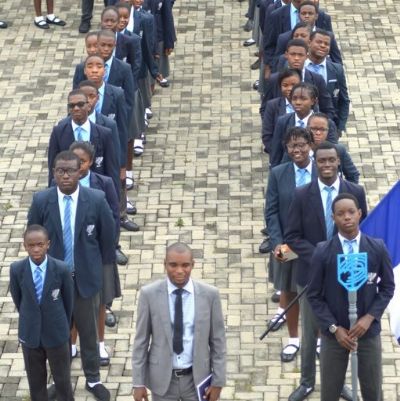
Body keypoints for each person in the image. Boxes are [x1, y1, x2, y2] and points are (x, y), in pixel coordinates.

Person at [28, 151, 115, 401]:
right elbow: (33, 233)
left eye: (70, 171)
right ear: (53, 173)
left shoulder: (95, 199)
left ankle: (93, 379)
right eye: (60, 171)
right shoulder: (42, 200)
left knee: (89, 332)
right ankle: (60, 381)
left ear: (81, 172)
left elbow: (108, 238)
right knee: (58, 335)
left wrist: (95, 268)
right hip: (54, 282)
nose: (65, 176)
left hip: (85, 279)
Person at [284, 141, 368, 401]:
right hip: (311, 275)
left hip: (346, 277)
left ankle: (338, 383)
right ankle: (307, 382)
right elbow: (292, 236)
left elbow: (363, 230)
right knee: (310, 332)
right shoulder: (301, 194)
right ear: (315, 162)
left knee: (341, 330)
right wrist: (323, 257)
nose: (327, 165)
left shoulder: (355, 191)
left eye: (331, 160)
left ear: (339, 161)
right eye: (322, 161)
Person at [308, 193, 395, 401]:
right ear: (333, 218)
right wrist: (333, 328)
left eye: (351, 212)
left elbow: (387, 287)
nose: (346, 217)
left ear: (360, 214)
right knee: (330, 391)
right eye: (340, 214)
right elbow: (314, 295)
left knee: (373, 391)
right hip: (335, 335)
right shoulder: (323, 251)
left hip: (367, 333)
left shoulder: (377, 248)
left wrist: (369, 318)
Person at [132, 242, 226, 401]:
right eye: (173, 265)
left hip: (197, 381)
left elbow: (218, 342)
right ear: (165, 264)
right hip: (162, 381)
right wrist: (138, 383)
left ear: (193, 265)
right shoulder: (149, 295)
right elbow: (141, 342)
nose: (179, 271)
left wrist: (218, 382)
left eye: (185, 265)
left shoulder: (210, 295)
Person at [266, 128, 316, 363]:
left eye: (301, 145)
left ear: (310, 146)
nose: (297, 150)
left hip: (315, 245)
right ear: (286, 148)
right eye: (292, 146)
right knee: (289, 289)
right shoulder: (278, 173)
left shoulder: (321, 170)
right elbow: (271, 211)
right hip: (287, 245)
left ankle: (318, 339)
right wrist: (277, 243)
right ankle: (294, 339)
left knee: (317, 291)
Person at [69, 141, 121, 367]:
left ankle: (99, 344)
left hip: (98, 254)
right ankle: (71, 344)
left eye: (82, 161)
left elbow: (113, 218)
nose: (77, 166)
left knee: (99, 302)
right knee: (71, 302)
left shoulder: (104, 184)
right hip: (71, 255)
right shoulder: (60, 184)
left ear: (91, 162)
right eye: (74, 161)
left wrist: (106, 251)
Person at [9, 225, 74, 401]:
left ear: (48, 244)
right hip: (30, 335)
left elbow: (68, 303)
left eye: (40, 244)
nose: (36, 249)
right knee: (36, 383)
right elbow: (19, 300)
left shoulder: (62, 269)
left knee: (63, 382)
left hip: (56, 334)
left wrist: (62, 327)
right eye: (31, 245)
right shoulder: (16, 269)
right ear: (25, 246)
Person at [47, 89, 120, 202]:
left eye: (80, 104)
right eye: (72, 106)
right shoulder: (58, 132)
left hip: (97, 193)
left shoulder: (104, 134)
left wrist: (115, 198)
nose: (76, 108)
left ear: (88, 106)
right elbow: (53, 165)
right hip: (68, 193)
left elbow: (112, 169)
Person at [264, 39, 336, 120]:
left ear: (307, 56)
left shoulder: (317, 79)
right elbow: (265, 107)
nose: (296, 58)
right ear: (286, 55)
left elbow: (327, 109)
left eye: (300, 55)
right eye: (293, 54)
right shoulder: (274, 79)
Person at [270, 82, 337, 167]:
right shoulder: (282, 121)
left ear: (313, 101)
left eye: (303, 99)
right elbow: (276, 153)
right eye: (294, 98)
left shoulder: (326, 122)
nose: (298, 102)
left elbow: (332, 149)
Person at [306, 29, 350, 134]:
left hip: (328, 129)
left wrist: (339, 128)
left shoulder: (337, 70)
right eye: (319, 42)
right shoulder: (300, 67)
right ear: (309, 43)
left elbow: (344, 100)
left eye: (326, 44)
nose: (323, 46)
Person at [307, 113, 359, 183]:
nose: (318, 133)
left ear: (328, 131)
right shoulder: (300, 153)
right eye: (314, 129)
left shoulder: (339, 150)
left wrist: (346, 189)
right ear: (307, 128)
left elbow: (353, 175)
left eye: (322, 129)